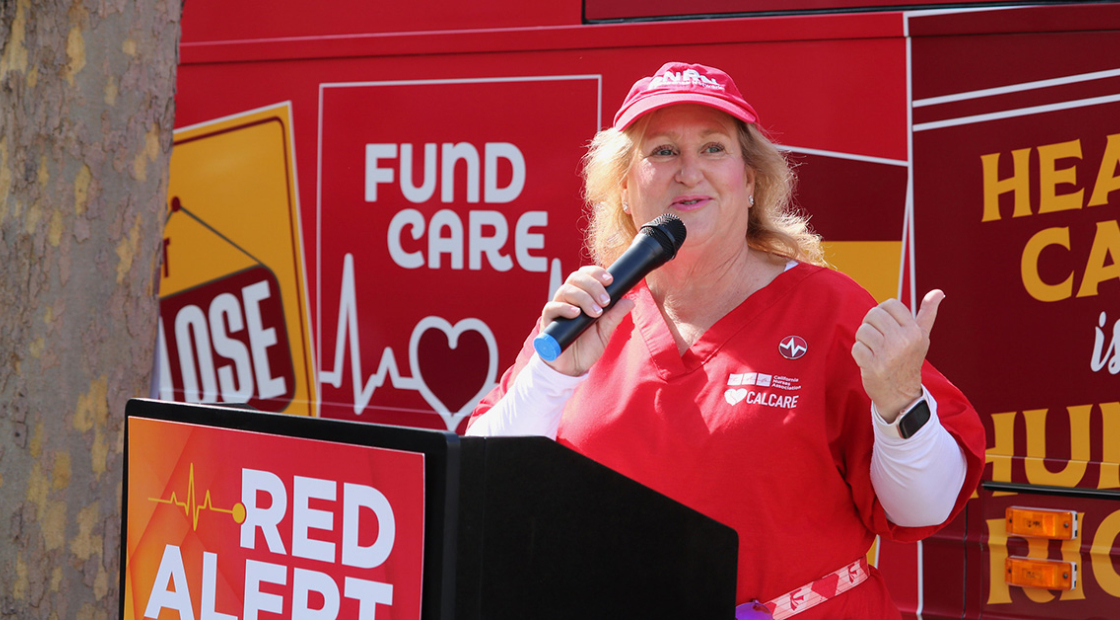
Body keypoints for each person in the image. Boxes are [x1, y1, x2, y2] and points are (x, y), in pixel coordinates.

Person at [466, 61, 984, 619]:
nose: (689, 172)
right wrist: (552, 377)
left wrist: (901, 401)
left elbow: (921, 509)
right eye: (663, 151)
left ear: (751, 181)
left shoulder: (830, 309)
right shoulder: (591, 311)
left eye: (714, 148)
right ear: (623, 189)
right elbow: (483, 484)